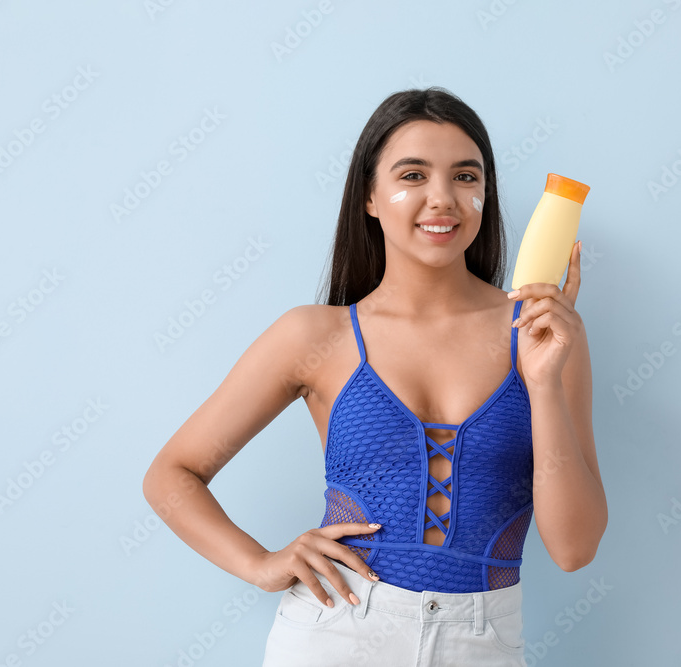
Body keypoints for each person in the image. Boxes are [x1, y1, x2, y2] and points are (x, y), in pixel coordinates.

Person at [142, 87, 608, 666]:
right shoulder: (315, 337)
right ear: (369, 195)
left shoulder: (546, 334)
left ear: (484, 194)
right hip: (335, 631)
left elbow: (574, 548)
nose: (442, 199)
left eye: (466, 177)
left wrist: (541, 383)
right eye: (413, 175)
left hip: (480, 640)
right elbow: (171, 475)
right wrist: (261, 565)